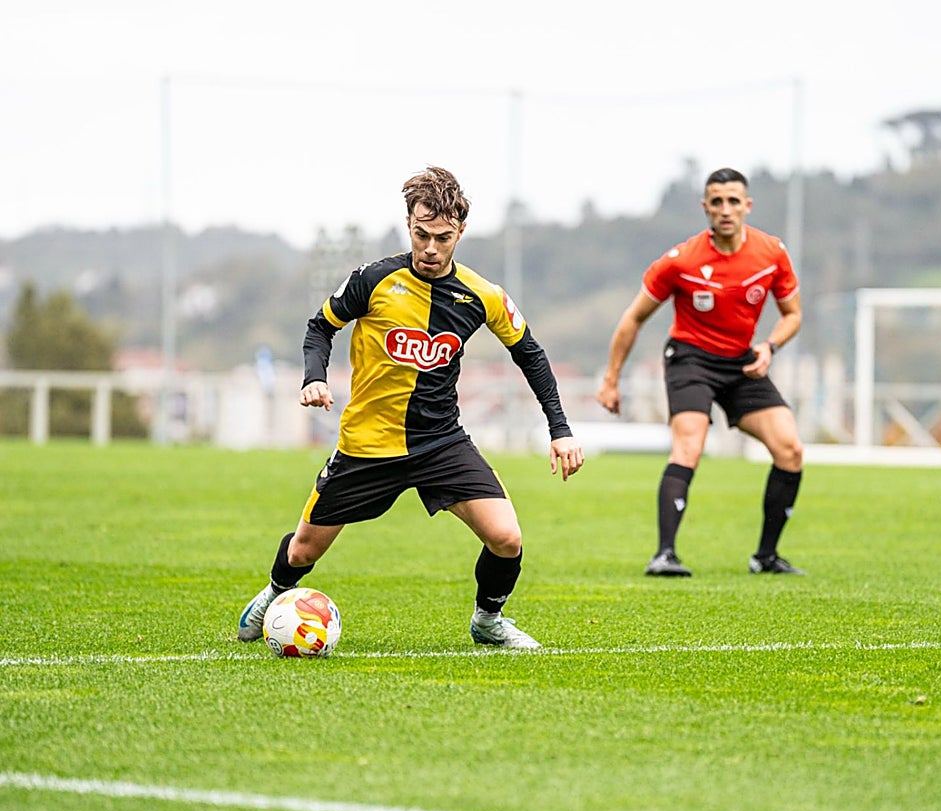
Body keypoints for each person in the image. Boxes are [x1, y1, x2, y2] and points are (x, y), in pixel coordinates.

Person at [237, 166, 584, 649]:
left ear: (461, 231)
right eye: (421, 234)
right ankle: (274, 593)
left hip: (440, 443)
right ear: (408, 224)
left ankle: (488, 622)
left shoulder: (481, 296)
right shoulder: (374, 279)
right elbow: (321, 326)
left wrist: (560, 429)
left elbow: (530, 353)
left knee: (507, 538)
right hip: (367, 445)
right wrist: (315, 377)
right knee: (303, 549)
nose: (430, 248)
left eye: (442, 237)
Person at [596, 167, 806, 577]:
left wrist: (770, 346)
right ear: (705, 207)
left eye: (733, 201)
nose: (725, 209)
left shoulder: (771, 253)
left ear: (747, 206)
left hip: (743, 361)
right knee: (690, 445)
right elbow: (633, 318)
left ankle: (765, 557)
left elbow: (793, 315)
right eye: (716, 201)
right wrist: (611, 379)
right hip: (690, 358)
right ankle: (665, 555)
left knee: (790, 449)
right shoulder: (681, 261)